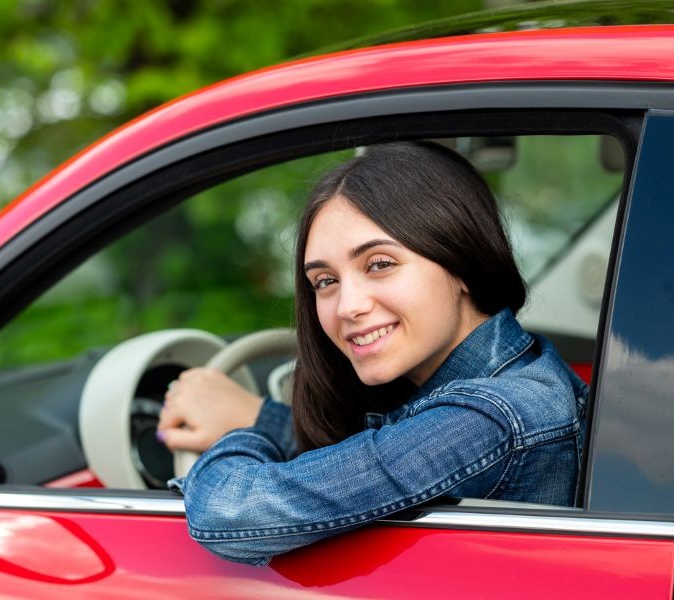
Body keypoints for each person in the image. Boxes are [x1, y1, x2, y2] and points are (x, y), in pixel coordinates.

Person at [157, 142, 589, 566]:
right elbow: (382, 456)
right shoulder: (521, 370)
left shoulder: (488, 418)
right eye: (325, 281)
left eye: (379, 264)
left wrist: (239, 441)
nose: (347, 307)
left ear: (461, 261)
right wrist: (264, 419)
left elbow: (231, 515)